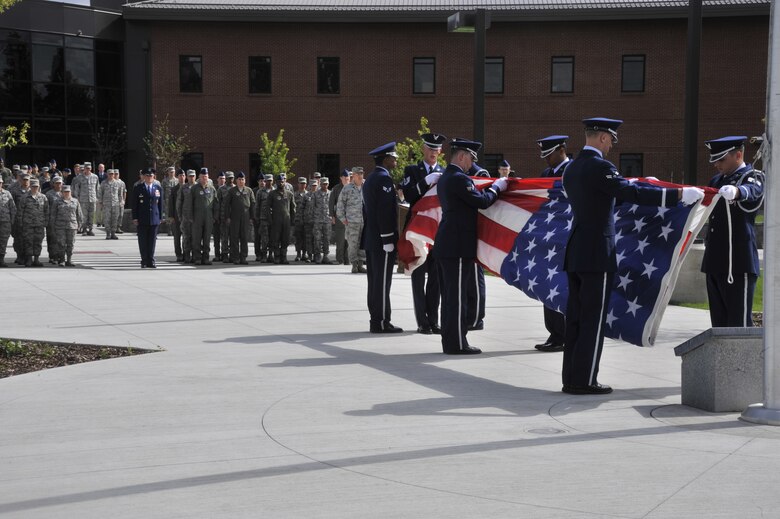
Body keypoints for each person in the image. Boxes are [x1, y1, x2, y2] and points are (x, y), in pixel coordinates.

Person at [562, 117, 704, 394]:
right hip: (596, 254)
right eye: (611, 140)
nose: (611, 146)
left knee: (577, 318)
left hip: (577, 251)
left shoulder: (572, 168)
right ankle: (585, 380)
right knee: (592, 318)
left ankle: (572, 377)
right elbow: (630, 192)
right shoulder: (599, 166)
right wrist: (676, 197)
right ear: (603, 138)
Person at [434, 138, 508, 354]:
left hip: (449, 244)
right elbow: (482, 201)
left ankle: (451, 342)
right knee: (456, 298)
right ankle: (457, 343)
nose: (471, 165)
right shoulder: (458, 178)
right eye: (471, 159)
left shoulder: (448, 177)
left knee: (450, 297)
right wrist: (497, 187)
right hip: (456, 246)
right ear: (462, 156)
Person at [701, 136, 764, 327]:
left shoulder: (752, 175)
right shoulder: (717, 179)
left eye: (722, 159)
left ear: (738, 155)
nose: (717, 165)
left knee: (738, 325)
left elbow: (753, 190)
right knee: (719, 326)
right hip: (715, 261)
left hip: (737, 262)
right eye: (715, 160)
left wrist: (738, 192)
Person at [401, 132, 446, 334]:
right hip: (418, 231)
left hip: (436, 231)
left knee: (436, 278)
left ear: (441, 151)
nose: (433, 152)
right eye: (430, 148)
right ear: (423, 149)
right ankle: (422, 321)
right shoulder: (412, 170)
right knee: (418, 276)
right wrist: (425, 181)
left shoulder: (446, 172)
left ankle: (433, 320)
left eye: (436, 149)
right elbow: (409, 194)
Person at [534, 135, 572, 352]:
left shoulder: (572, 171)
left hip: (565, 237)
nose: (546, 160)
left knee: (561, 286)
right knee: (547, 286)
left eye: (549, 155)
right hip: (548, 238)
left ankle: (564, 334)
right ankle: (555, 333)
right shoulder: (546, 174)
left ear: (561, 150)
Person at [362, 142, 403, 333]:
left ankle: (376, 319)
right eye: (393, 157)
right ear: (385, 159)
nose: (395, 160)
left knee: (375, 281)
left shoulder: (371, 178)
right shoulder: (383, 180)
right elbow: (384, 213)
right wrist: (388, 239)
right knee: (382, 283)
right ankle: (381, 322)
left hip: (372, 238)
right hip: (381, 240)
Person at [465, 161, 491, 331]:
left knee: (475, 278)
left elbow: (484, 202)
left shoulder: (480, 174)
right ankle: (470, 315)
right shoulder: (463, 173)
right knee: (467, 279)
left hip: (475, 231)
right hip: (466, 231)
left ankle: (475, 318)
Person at [336, 166, 367, 273]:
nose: (360, 176)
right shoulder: (347, 188)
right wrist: (343, 219)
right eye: (358, 174)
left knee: (363, 244)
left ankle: (361, 264)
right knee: (353, 244)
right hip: (352, 221)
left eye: (361, 174)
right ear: (353, 176)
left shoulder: (367, 186)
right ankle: (354, 264)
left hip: (365, 221)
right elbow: (340, 205)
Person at [131, 167, 163, 268]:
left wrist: (160, 217)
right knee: (143, 241)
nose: (150, 177)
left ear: (154, 177)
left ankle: (151, 260)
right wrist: (135, 217)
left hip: (154, 218)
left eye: (151, 176)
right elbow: (134, 204)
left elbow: (161, 204)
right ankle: (144, 260)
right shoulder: (138, 188)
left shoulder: (158, 188)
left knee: (152, 241)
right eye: (147, 176)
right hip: (142, 218)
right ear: (144, 177)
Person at [226, 171, 256, 265]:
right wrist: (227, 217)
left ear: (245, 180)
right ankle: (235, 257)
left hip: (246, 217)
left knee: (244, 237)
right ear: (236, 180)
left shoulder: (249, 190)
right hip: (234, 217)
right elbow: (227, 205)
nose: (241, 181)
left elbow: (253, 204)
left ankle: (243, 257)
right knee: (234, 237)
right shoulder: (232, 191)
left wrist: (252, 216)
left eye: (243, 179)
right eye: (239, 179)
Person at [18, 178, 49, 267]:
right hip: (28, 224)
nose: (35, 188)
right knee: (28, 241)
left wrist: (46, 222)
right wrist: (20, 223)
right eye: (33, 186)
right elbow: (20, 211)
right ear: (30, 187)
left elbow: (46, 211)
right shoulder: (24, 197)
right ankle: (28, 260)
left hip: (39, 224)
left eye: (36, 186)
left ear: (39, 187)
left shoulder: (43, 197)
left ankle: (36, 259)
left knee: (38, 242)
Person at [190, 168, 216, 265]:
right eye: (202, 176)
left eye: (206, 176)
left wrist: (215, 216)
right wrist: (190, 216)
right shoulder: (194, 189)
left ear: (208, 177)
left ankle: (205, 258)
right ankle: (197, 258)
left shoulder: (212, 189)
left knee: (207, 238)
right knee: (197, 238)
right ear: (199, 177)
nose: (204, 178)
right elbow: (189, 204)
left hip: (208, 217)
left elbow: (216, 203)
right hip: (197, 217)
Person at [51, 185, 82, 267]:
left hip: (72, 226)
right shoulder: (57, 201)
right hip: (60, 226)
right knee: (61, 243)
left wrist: (79, 225)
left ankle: (69, 260)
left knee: (70, 243)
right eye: (65, 192)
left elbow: (79, 214)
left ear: (70, 192)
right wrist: (52, 225)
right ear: (62, 193)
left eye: (68, 192)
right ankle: (61, 260)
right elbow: (53, 215)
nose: (67, 193)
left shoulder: (75, 201)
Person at [269, 173, 295, 264]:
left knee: (285, 239)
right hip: (276, 221)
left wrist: (293, 220)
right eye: (279, 181)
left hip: (286, 221)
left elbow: (293, 208)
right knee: (275, 239)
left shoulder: (289, 194)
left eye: (282, 181)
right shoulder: (272, 194)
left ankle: (284, 257)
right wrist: (270, 219)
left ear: (285, 182)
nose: (281, 183)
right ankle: (277, 257)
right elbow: (267, 208)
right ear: (276, 182)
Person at [330, 169, 350, 265]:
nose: (346, 179)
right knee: (340, 240)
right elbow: (331, 203)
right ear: (341, 178)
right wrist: (332, 216)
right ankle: (340, 259)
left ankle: (348, 259)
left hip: (351, 218)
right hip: (340, 219)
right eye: (345, 178)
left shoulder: (353, 187)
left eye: (348, 178)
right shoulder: (336, 189)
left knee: (349, 241)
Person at [176, 169, 196, 263]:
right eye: (190, 176)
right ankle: (187, 255)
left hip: (196, 218)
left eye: (193, 176)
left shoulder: (198, 187)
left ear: (195, 176)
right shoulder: (183, 188)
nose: (191, 177)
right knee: (186, 237)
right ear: (187, 177)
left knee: (196, 237)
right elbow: (179, 203)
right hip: (186, 217)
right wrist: (180, 217)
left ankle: (195, 256)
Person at [215, 171, 235, 262]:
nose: (230, 180)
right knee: (224, 237)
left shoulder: (236, 188)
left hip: (234, 217)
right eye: (228, 178)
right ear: (225, 178)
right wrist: (218, 216)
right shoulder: (221, 189)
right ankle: (224, 254)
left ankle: (232, 254)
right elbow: (218, 203)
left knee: (233, 237)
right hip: (223, 217)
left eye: (232, 178)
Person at [312, 176, 332, 264]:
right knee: (317, 238)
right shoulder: (316, 194)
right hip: (317, 220)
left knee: (327, 239)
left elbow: (333, 207)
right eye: (323, 184)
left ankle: (326, 256)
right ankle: (317, 255)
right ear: (321, 184)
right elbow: (312, 207)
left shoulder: (330, 194)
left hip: (327, 220)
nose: (325, 185)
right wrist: (313, 218)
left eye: (326, 184)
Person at [254, 174, 274, 262]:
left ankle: (271, 254)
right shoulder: (260, 192)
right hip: (263, 218)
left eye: (270, 180)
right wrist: (257, 218)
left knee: (273, 237)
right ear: (264, 181)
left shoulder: (275, 191)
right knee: (264, 238)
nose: (269, 182)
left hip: (274, 219)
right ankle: (264, 255)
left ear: (272, 181)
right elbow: (257, 206)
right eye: (267, 180)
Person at [168, 170, 186, 262]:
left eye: (183, 175)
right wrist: (171, 216)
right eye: (180, 175)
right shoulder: (174, 189)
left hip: (186, 217)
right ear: (177, 177)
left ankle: (186, 254)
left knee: (186, 236)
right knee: (177, 237)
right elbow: (170, 203)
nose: (182, 177)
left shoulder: (189, 188)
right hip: (176, 217)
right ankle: (179, 254)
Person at [0, 176, 15, 267]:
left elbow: (13, 208)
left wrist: (11, 221)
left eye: (0, 182)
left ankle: (1, 259)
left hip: (5, 222)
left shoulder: (7, 193)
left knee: (3, 241)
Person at [293, 177, 308, 261]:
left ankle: (304, 254)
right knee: (298, 237)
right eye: (301, 183)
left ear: (306, 184)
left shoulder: (309, 195)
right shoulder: (294, 195)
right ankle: (298, 253)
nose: (302, 185)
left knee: (306, 237)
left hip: (306, 220)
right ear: (298, 184)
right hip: (298, 219)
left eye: (304, 183)